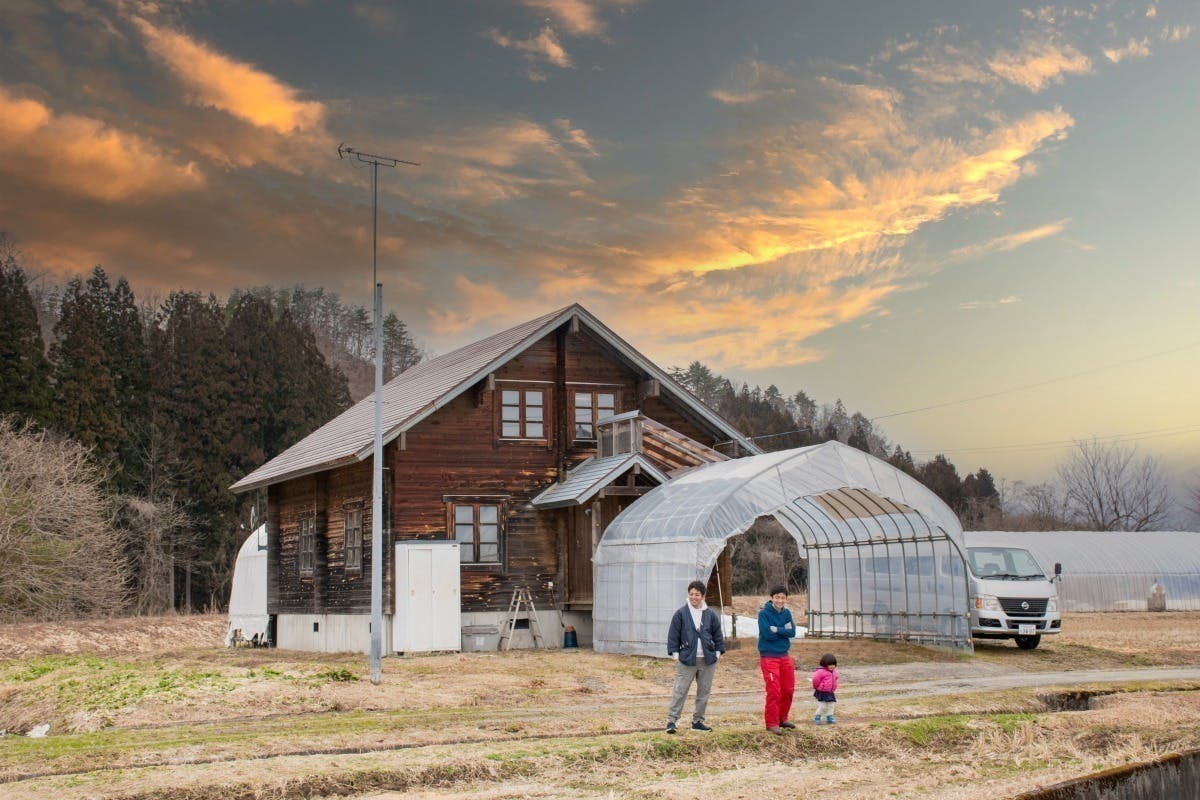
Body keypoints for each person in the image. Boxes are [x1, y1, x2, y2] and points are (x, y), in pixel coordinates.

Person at [665, 579, 726, 733]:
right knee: (680, 690)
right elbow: (673, 635)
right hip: (687, 659)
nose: (694, 597)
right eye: (691, 594)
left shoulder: (710, 614)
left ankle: (698, 721)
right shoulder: (681, 613)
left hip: (707, 660)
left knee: (704, 692)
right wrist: (675, 654)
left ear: (703, 596)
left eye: (697, 594)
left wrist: (718, 652)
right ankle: (672, 721)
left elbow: (717, 634)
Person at [757, 584, 797, 734]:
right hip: (769, 657)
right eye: (777, 597)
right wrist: (783, 631)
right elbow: (767, 634)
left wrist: (777, 629)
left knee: (788, 689)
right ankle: (772, 723)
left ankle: (782, 718)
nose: (780, 600)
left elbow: (792, 632)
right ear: (772, 598)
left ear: (786, 599)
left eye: (782, 597)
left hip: (784, 655)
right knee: (774, 690)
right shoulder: (764, 614)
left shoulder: (786, 614)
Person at [811, 652, 838, 725]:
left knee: (831, 704)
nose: (832, 666)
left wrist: (834, 687)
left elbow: (835, 679)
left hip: (830, 692)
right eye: (830, 664)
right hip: (822, 692)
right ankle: (817, 716)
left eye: (833, 664)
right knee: (823, 706)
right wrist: (817, 687)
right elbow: (815, 680)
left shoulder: (834, 672)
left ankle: (830, 716)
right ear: (825, 664)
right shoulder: (820, 672)